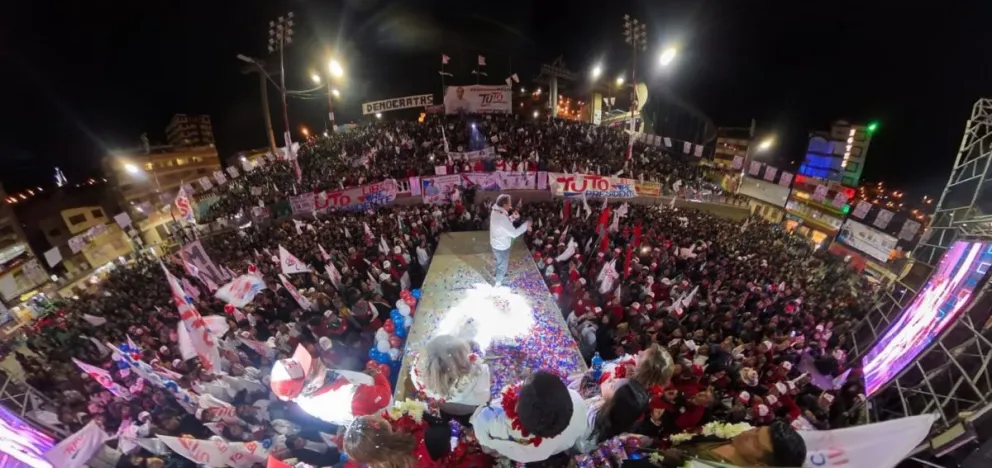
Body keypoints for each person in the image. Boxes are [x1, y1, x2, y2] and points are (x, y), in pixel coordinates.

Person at [471, 371, 588, 463]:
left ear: (517, 407)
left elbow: (482, 434)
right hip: (546, 451)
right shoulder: (578, 403)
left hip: (521, 451)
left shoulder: (498, 426)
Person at [660, 419, 807, 467]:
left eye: (754, 441)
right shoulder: (732, 435)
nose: (747, 433)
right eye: (756, 430)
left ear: (761, 464)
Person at [410, 335, 492, 417]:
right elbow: (484, 398)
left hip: (447, 409)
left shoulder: (419, 376)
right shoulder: (478, 374)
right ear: (460, 360)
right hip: (470, 411)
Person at [574, 379, 650, 453]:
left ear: (615, 404)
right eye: (617, 379)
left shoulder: (587, 422)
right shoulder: (603, 410)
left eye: (612, 386)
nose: (610, 379)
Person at [489, 194, 530, 286]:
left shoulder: (496, 211)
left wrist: (513, 217)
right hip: (501, 246)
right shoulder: (501, 217)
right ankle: (498, 282)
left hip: (496, 243)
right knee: (502, 265)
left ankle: (500, 273)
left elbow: (504, 224)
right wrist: (526, 225)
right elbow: (514, 233)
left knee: (500, 261)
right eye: (509, 203)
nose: (511, 205)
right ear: (504, 205)